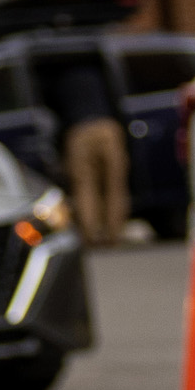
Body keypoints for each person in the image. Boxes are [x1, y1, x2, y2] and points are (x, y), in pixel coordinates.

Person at [37, 43, 131, 248]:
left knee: (84, 185)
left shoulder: (57, 78)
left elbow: (51, 112)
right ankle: (115, 234)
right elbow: (118, 99)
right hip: (108, 128)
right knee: (114, 183)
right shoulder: (98, 70)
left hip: (79, 131)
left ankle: (91, 235)